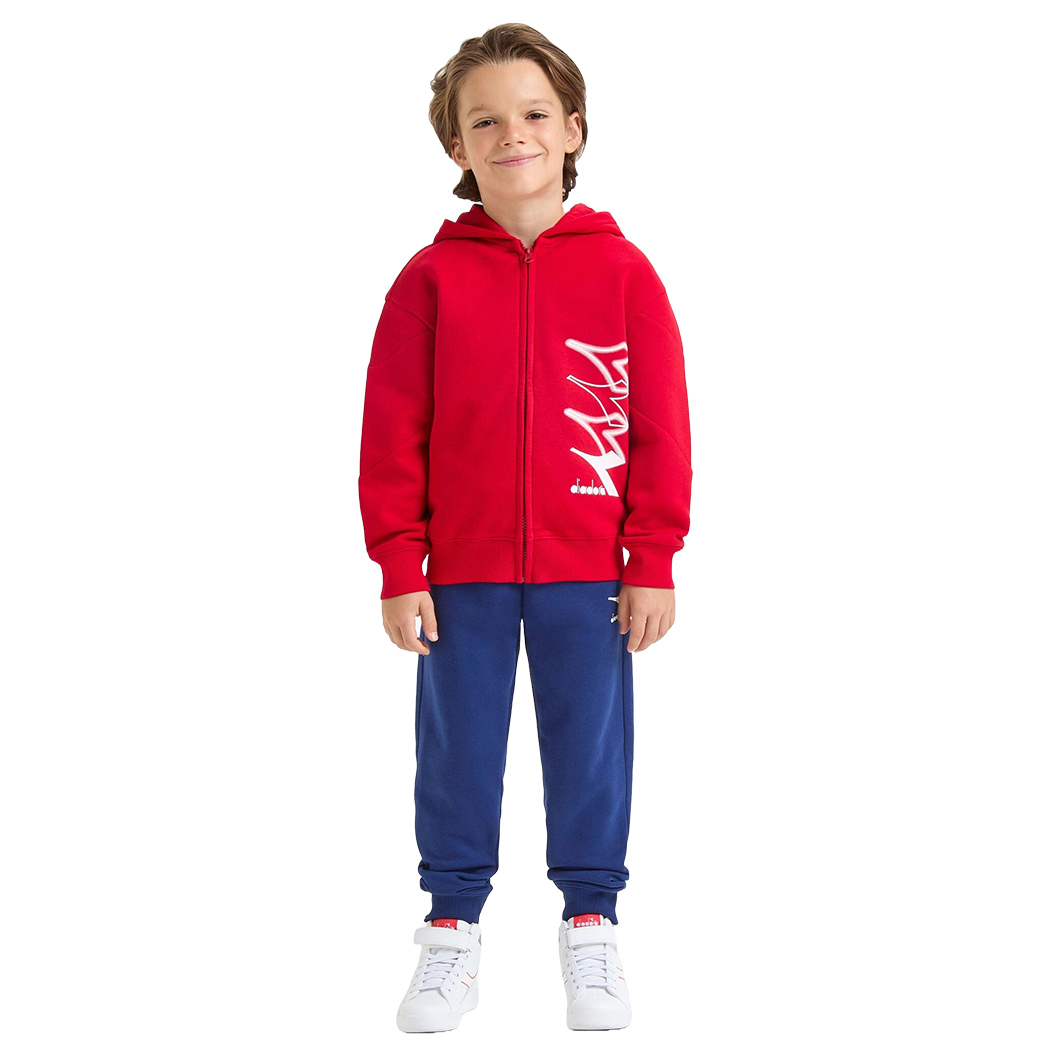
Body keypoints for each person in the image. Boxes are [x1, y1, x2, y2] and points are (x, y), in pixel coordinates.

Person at [358, 23, 692, 1033]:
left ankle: (591, 922)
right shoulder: (428, 280)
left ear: (574, 128)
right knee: (456, 748)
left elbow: (661, 427)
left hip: (589, 569)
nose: (514, 135)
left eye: (535, 114)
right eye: (486, 121)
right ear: (457, 146)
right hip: (459, 570)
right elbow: (391, 432)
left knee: (589, 747)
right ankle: (450, 929)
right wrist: (400, 563)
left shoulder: (625, 274)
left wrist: (651, 557)